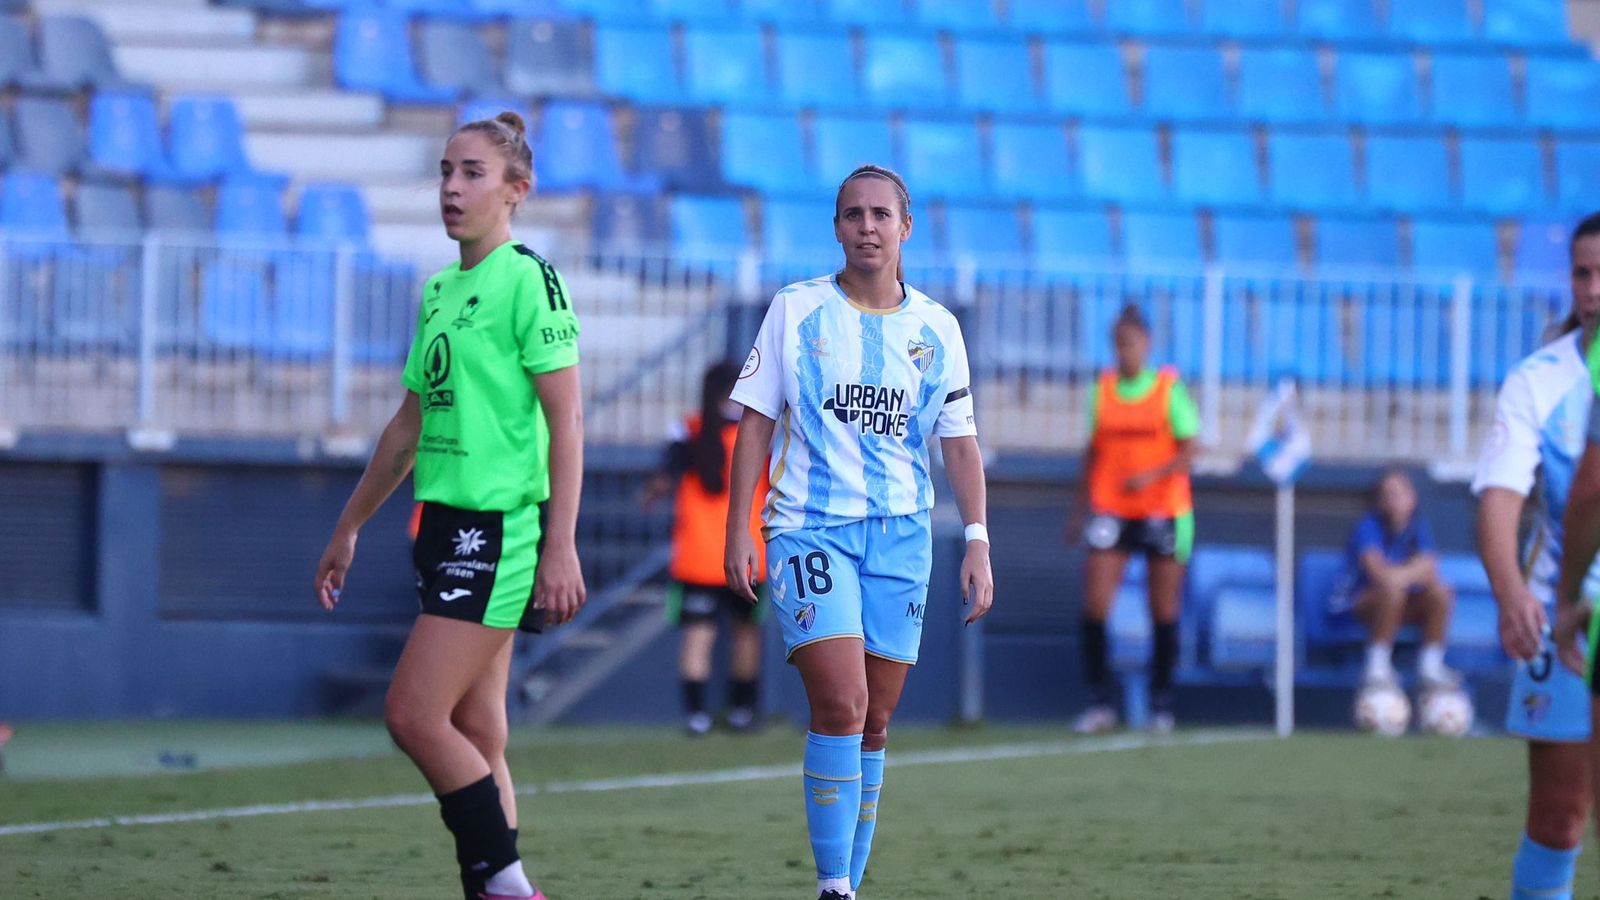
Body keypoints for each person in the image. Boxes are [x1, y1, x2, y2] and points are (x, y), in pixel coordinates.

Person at [313, 111, 584, 900]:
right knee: (478, 732)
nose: (451, 188)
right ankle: (495, 886)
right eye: (444, 172)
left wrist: (559, 543)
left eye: (471, 173)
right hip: (441, 527)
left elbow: (567, 418)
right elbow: (408, 424)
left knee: (411, 714)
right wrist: (349, 525)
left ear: (515, 190)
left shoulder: (527, 278)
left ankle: (508, 887)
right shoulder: (440, 289)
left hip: (498, 532)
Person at [724, 164, 994, 900]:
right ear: (837, 227)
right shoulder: (796, 310)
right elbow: (754, 423)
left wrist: (977, 539)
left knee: (875, 720)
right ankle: (833, 885)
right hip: (808, 530)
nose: (867, 227)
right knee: (840, 703)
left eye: (881, 215)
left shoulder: (937, 330)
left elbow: (959, 442)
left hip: (902, 537)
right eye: (853, 215)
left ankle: (849, 884)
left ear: (906, 228)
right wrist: (739, 528)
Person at [1480, 212, 1600, 900]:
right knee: (1559, 818)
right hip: (1567, 615)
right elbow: (1499, 497)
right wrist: (1510, 592)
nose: (1592, 289)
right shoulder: (1537, 380)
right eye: (1582, 273)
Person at [1067, 304, 1198, 735]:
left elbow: (1189, 450)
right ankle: (1098, 701)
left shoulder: (1167, 388)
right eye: (1119, 343)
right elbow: (1091, 453)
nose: (1125, 351)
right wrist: (1077, 510)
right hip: (1111, 508)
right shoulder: (1102, 390)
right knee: (1095, 606)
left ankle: (1162, 703)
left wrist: (1152, 474)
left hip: (1163, 509)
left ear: (1147, 344)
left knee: (1162, 608)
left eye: (1132, 342)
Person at [642, 360, 770, 736]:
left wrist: (652, 492)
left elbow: (661, 482)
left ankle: (696, 716)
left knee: (698, 637)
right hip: (748, 555)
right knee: (746, 636)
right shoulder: (757, 434)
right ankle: (742, 713)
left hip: (698, 557)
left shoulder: (688, 430)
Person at [1344, 468, 1458, 691]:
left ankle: (1431, 665)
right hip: (1363, 605)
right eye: (1387, 495)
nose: (1394, 501)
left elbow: (1431, 571)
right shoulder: (1368, 527)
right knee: (1392, 593)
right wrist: (1413, 571)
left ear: (1412, 496)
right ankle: (1376, 667)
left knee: (1441, 593)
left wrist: (1399, 576)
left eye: (1399, 493)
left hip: (1404, 603)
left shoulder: (1419, 528)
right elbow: (1378, 574)